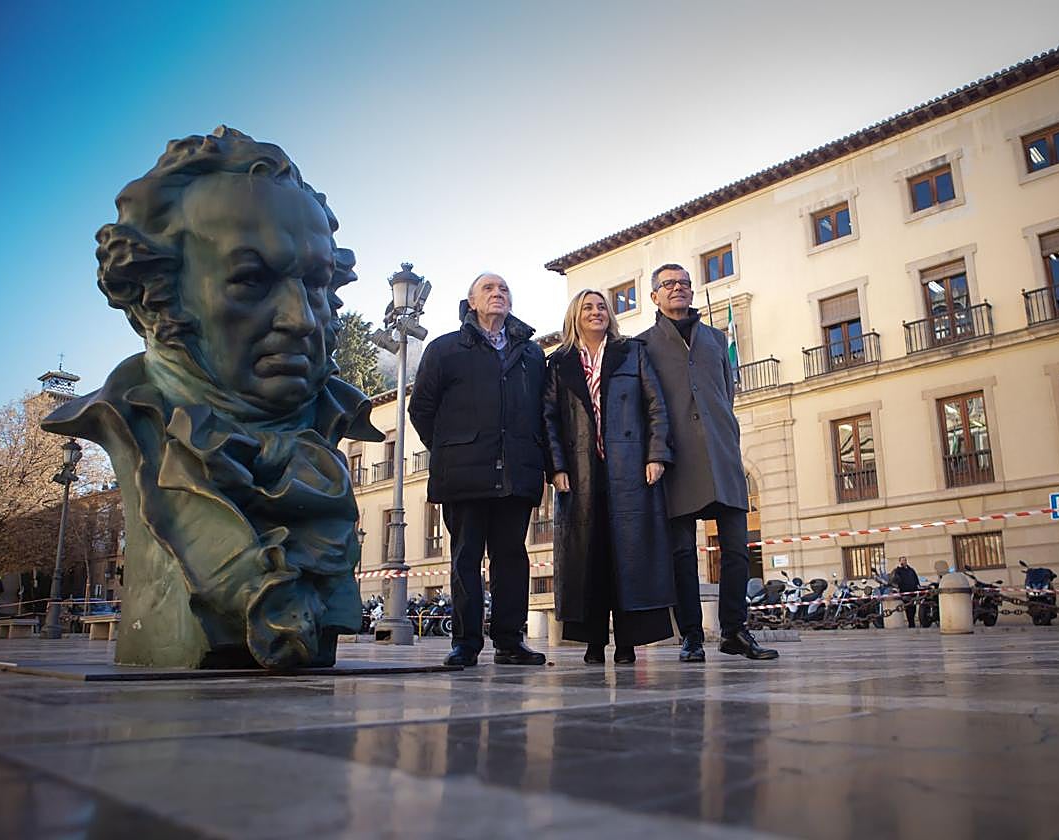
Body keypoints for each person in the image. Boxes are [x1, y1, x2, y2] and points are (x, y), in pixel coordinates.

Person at [41, 127, 385, 670]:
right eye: (250, 280)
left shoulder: (334, 415)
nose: (300, 319)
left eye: (316, 283)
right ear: (158, 296)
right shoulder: (130, 417)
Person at [639, 264, 778, 662]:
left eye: (684, 283)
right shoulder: (642, 345)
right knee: (682, 554)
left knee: (737, 550)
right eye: (669, 285)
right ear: (655, 297)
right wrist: (655, 452)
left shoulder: (716, 339)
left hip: (722, 455)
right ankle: (691, 637)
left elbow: (726, 393)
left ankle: (735, 631)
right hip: (674, 459)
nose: (678, 289)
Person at [410, 273, 548, 667]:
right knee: (466, 557)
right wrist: (450, 448)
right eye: (488, 288)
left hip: (517, 472)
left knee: (512, 557)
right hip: (463, 474)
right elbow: (421, 409)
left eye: (504, 288)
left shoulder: (531, 354)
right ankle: (466, 643)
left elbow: (542, 411)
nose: (498, 293)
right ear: (471, 302)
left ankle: (509, 641)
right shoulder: (444, 349)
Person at [543, 289, 676, 664]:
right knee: (590, 557)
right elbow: (549, 419)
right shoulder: (560, 362)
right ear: (575, 315)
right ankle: (593, 641)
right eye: (588, 307)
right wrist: (557, 467)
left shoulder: (632, 352)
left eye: (602, 306)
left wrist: (656, 455)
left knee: (630, 556)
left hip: (630, 468)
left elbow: (656, 405)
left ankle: (629, 642)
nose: (596, 312)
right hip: (581, 472)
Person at [890, 555, 921, 627]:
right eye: (902, 560)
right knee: (908, 608)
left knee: (913, 608)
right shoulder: (898, 571)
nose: (904, 561)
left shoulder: (911, 570)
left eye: (905, 560)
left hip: (913, 592)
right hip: (905, 593)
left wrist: (918, 586)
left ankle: (912, 622)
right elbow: (895, 580)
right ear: (900, 561)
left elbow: (916, 579)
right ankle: (911, 624)